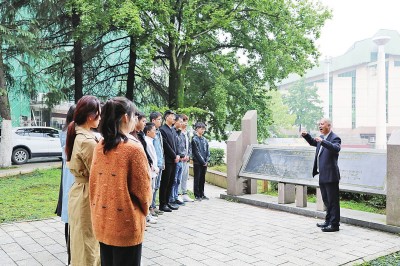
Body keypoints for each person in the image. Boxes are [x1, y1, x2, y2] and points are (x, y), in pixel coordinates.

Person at [89, 97, 151, 265]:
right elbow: (144, 192)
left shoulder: (100, 145)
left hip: (102, 221)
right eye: (134, 115)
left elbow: (93, 185)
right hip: (126, 224)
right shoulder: (133, 148)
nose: (135, 119)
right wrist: (144, 212)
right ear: (125, 117)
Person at [65, 95, 101, 265]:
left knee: (81, 240)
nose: (100, 118)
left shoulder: (80, 134)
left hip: (80, 192)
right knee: (88, 245)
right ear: (90, 116)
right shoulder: (88, 141)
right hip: (87, 194)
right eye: (99, 115)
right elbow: (97, 174)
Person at [301, 118, 341, 232]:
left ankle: (334, 225)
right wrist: (306, 136)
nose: (320, 125)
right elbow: (314, 142)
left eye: (322, 124)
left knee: (333, 201)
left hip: (331, 176)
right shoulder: (321, 138)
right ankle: (328, 222)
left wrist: (322, 142)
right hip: (322, 175)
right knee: (327, 201)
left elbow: (336, 148)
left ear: (329, 125)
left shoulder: (335, 138)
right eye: (319, 124)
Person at [57, 104, 75, 265]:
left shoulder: (68, 131)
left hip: (69, 174)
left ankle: (71, 254)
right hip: (71, 175)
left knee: (70, 217)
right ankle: (71, 255)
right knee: (70, 216)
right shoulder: (70, 132)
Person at [159, 110, 180, 212]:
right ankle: (162, 204)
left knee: (171, 181)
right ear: (167, 117)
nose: (174, 118)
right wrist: (174, 155)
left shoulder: (172, 130)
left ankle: (167, 202)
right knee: (165, 182)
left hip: (174, 160)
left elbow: (176, 144)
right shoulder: (163, 130)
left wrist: (178, 155)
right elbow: (166, 145)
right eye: (172, 116)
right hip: (167, 160)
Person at [149, 111, 164, 216]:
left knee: (157, 186)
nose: (160, 121)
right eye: (159, 119)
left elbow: (160, 149)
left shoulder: (158, 132)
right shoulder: (151, 133)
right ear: (153, 120)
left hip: (160, 163)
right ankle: (151, 208)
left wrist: (162, 162)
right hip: (154, 165)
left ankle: (154, 205)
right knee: (152, 187)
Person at [170, 115, 186, 206]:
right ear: (174, 121)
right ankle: (171, 198)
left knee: (178, 180)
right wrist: (177, 155)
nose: (181, 123)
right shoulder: (172, 131)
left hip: (181, 159)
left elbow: (182, 146)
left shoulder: (179, 132)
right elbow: (174, 146)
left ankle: (175, 197)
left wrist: (183, 155)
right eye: (180, 121)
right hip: (176, 159)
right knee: (174, 180)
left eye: (182, 121)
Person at [191, 122, 210, 201]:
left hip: (204, 163)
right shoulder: (194, 140)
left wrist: (207, 160)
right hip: (198, 163)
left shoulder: (204, 139)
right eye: (201, 129)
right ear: (197, 129)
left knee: (202, 179)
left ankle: (202, 193)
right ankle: (197, 195)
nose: (203, 130)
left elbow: (208, 151)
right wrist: (203, 161)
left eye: (204, 129)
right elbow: (196, 152)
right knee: (197, 179)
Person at [179, 114, 194, 202]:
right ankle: (178, 194)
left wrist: (188, 155)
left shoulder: (187, 133)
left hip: (187, 159)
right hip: (181, 159)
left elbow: (189, 146)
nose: (186, 123)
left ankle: (184, 194)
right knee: (179, 178)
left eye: (186, 121)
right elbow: (179, 146)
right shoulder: (178, 132)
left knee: (185, 177)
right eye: (184, 121)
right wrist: (182, 155)